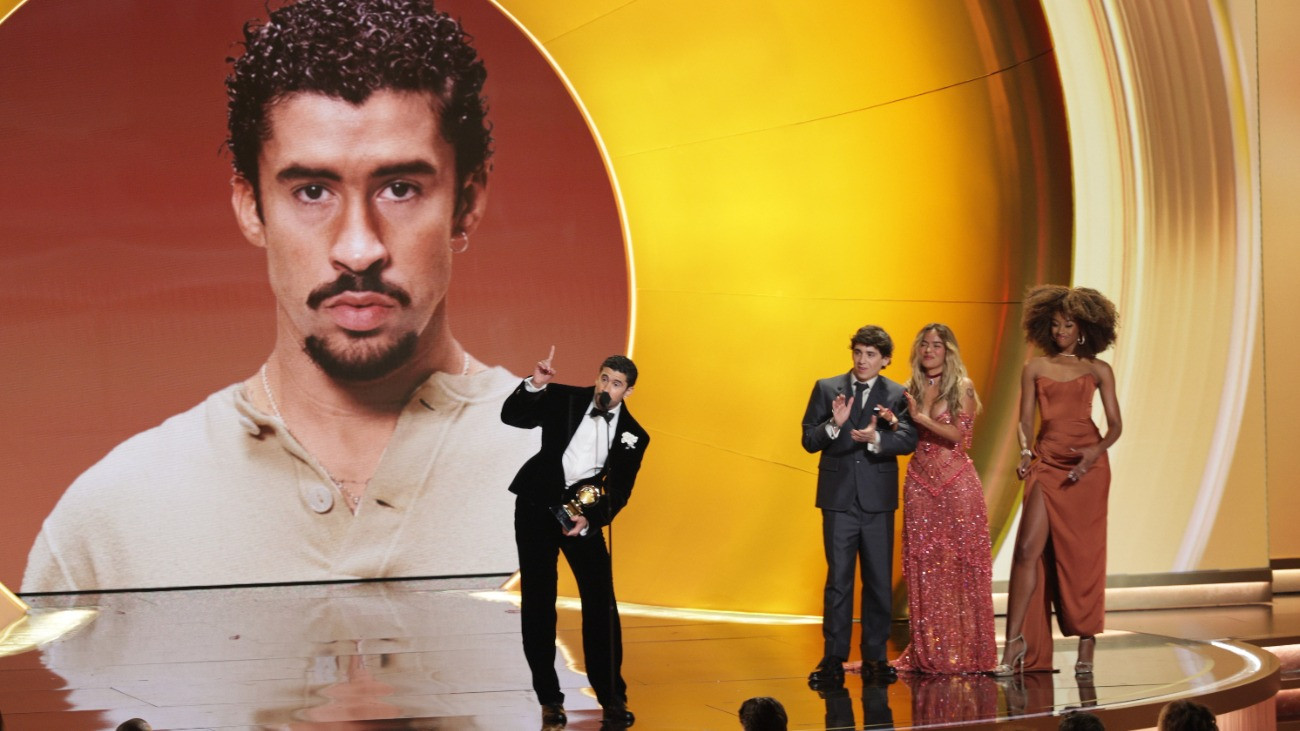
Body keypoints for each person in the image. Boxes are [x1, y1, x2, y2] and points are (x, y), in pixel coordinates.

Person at [21, 0, 539, 593]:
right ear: (251, 207)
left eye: (399, 188)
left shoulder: (591, 477)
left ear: (466, 202)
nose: (359, 249)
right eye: (312, 191)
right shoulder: (110, 522)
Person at [501, 349, 649, 729]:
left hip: (579, 516)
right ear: (597, 377)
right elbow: (513, 417)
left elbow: (620, 491)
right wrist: (535, 386)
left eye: (616, 384)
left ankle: (612, 699)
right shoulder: (564, 398)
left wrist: (590, 519)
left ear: (628, 391)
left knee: (601, 603)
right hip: (536, 505)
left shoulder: (634, 436)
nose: (607, 387)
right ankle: (550, 700)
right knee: (539, 601)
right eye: (604, 378)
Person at [996, 285, 1122, 676]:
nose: (1060, 331)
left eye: (1067, 325)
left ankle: (1087, 640)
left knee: (1084, 557)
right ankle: (1014, 643)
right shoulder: (1034, 367)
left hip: (1088, 469)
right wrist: (1024, 451)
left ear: (1083, 327)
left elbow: (1115, 426)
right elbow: (1025, 420)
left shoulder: (1098, 370)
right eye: (1054, 325)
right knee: (1026, 550)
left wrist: (1093, 454)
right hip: (1047, 463)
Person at [801, 325, 917, 686]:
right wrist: (832, 426)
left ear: (885, 360)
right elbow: (808, 438)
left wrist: (877, 437)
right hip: (838, 499)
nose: (862, 360)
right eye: (858, 352)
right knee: (838, 580)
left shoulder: (896, 394)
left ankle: (875, 657)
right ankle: (833, 657)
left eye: (871, 354)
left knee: (879, 580)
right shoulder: (827, 388)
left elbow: (908, 438)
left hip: (877, 500)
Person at [891, 324, 996, 674]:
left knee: (961, 565)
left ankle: (967, 650)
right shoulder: (909, 388)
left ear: (948, 350)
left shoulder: (962, 386)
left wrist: (920, 417)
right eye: (924, 344)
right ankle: (931, 650)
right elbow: (907, 435)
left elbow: (958, 437)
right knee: (924, 565)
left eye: (936, 345)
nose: (929, 350)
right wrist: (893, 423)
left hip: (956, 484)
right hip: (919, 483)